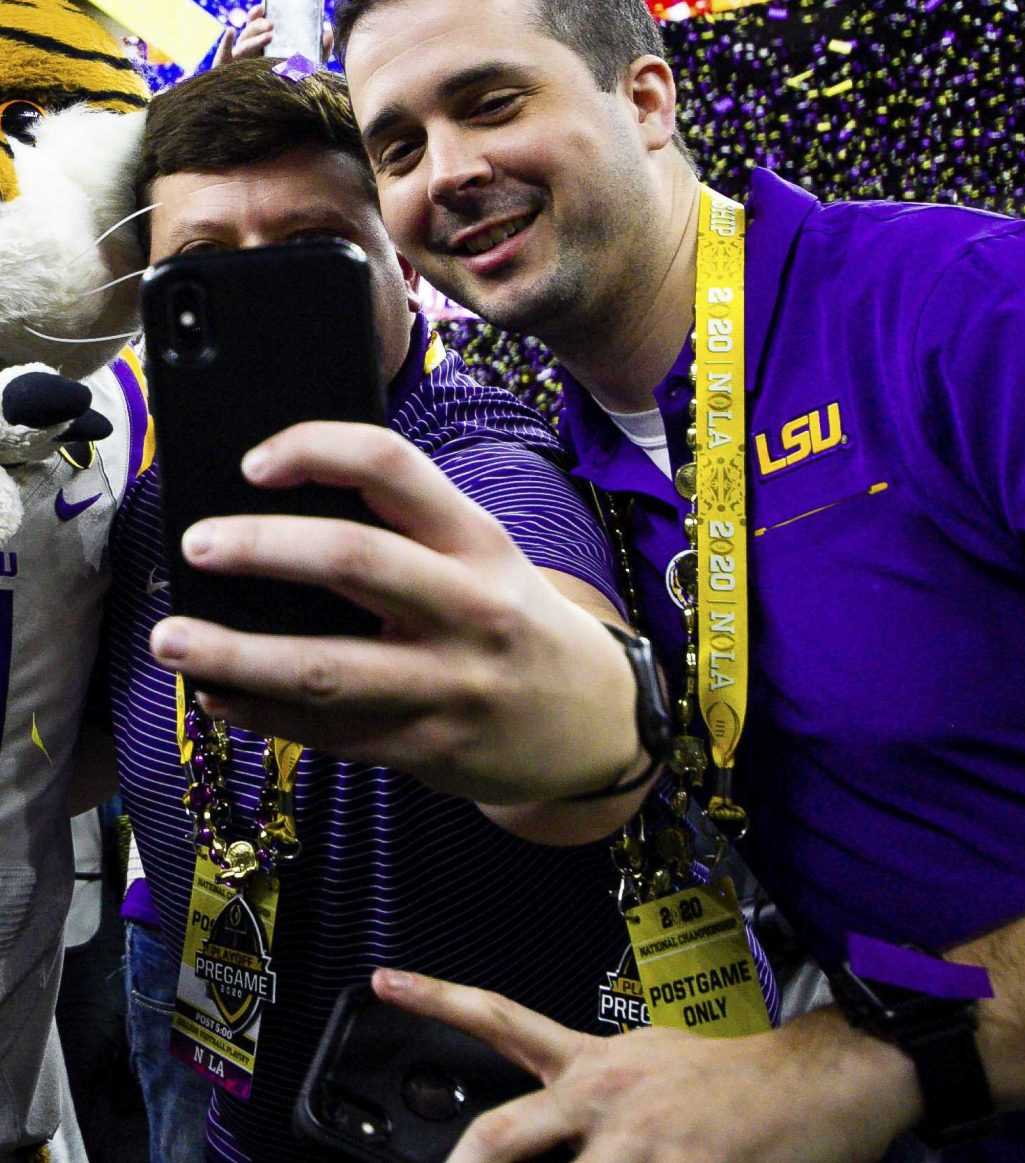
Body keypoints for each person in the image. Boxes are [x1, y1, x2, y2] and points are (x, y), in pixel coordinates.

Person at [166, 0, 1025, 1161]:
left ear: (646, 100)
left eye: (491, 102)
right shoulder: (592, 459)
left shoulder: (977, 314)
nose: (446, 171)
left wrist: (858, 1066)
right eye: (396, 147)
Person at [100, 58, 649, 1162]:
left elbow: (559, 640)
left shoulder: (476, 463)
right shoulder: (151, 501)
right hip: (225, 1089)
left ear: (403, 270)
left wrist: (588, 731)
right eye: (204, 265)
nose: (259, 291)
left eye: (314, 250)